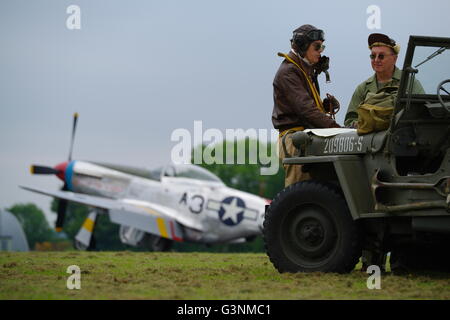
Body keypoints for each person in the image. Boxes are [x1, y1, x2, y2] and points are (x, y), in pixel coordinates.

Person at [272, 24, 341, 187]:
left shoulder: (304, 70)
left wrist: (324, 107)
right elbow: (306, 110)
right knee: (299, 197)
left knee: (315, 194)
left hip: (306, 139)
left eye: (322, 46)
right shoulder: (289, 71)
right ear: (302, 46)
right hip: (296, 141)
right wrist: (337, 129)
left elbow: (305, 107)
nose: (321, 51)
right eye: (317, 46)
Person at [344, 33, 425, 128]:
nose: (376, 60)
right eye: (373, 56)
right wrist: (361, 125)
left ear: (394, 59)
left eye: (381, 56)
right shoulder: (363, 88)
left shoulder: (409, 83)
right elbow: (350, 120)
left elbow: (423, 113)